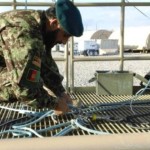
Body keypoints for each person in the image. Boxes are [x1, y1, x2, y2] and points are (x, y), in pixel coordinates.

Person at [0, 0, 84, 115]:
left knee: (33, 78)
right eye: (65, 35)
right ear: (54, 23)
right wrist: (54, 104)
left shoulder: (38, 23)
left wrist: (61, 93)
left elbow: (44, 62)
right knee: (22, 84)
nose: (64, 42)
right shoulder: (25, 35)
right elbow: (26, 91)